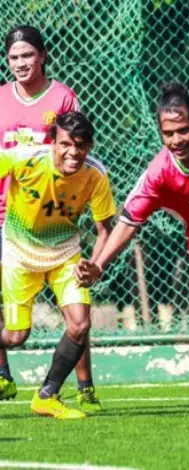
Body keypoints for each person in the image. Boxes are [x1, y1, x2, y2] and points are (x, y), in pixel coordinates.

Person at [75, 83, 189, 420]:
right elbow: (128, 222)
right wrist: (99, 266)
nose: (176, 140)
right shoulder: (160, 173)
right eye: (168, 133)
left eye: (183, 130)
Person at [0, 25, 104, 411]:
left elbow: (73, 143)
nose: (21, 63)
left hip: (52, 217)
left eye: (28, 55)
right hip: (7, 217)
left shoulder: (62, 97)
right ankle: (3, 377)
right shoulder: (0, 99)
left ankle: (84, 385)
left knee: (76, 308)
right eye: (13, 57)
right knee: (15, 326)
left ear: (42, 56)